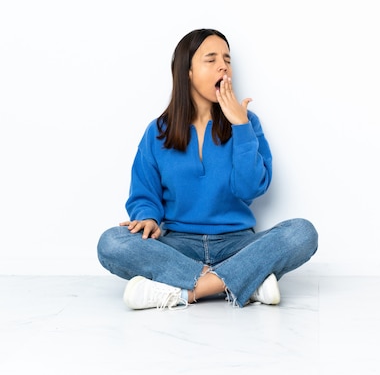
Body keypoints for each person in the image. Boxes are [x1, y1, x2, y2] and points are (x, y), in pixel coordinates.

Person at [97, 28, 318, 310]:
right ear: (187, 71)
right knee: (112, 243)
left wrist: (241, 127)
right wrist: (147, 217)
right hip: (178, 246)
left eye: (227, 59)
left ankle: (181, 292)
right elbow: (144, 193)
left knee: (301, 232)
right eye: (211, 59)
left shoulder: (247, 123)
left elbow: (251, 187)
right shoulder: (158, 131)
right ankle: (244, 282)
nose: (223, 66)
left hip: (237, 245)